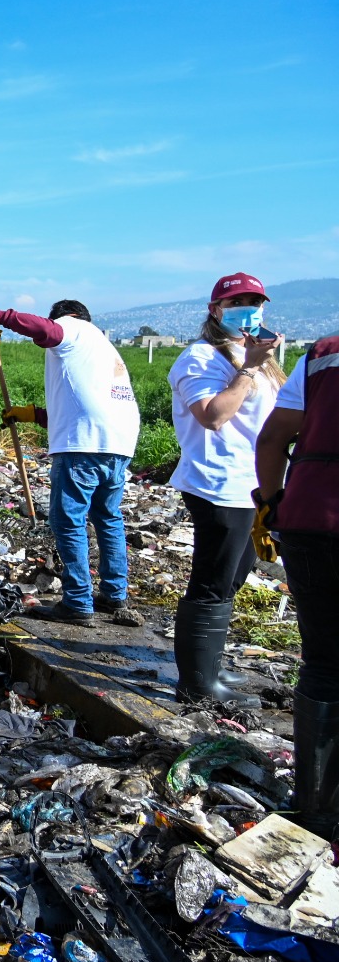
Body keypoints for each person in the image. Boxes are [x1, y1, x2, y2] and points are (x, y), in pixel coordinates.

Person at [0, 301, 140, 625]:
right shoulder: (101, 345)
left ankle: (78, 602)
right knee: (107, 517)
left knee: (68, 520)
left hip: (84, 445)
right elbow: (84, 403)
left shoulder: (72, 329)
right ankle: (114, 596)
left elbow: (45, 329)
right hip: (119, 443)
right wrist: (33, 416)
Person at [167, 272, 284, 706]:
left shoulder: (263, 360)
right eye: (237, 302)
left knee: (234, 576)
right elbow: (213, 416)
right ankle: (196, 684)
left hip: (254, 487)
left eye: (256, 301)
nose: (248, 309)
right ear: (215, 310)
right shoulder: (201, 357)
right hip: (218, 484)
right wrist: (248, 369)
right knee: (213, 580)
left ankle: (208, 664)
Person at [255, 334, 339, 836]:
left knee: (325, 665)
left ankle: (317, 809)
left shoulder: (324, 354)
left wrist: (272, 504)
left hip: (311, 522)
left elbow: (272, 438)